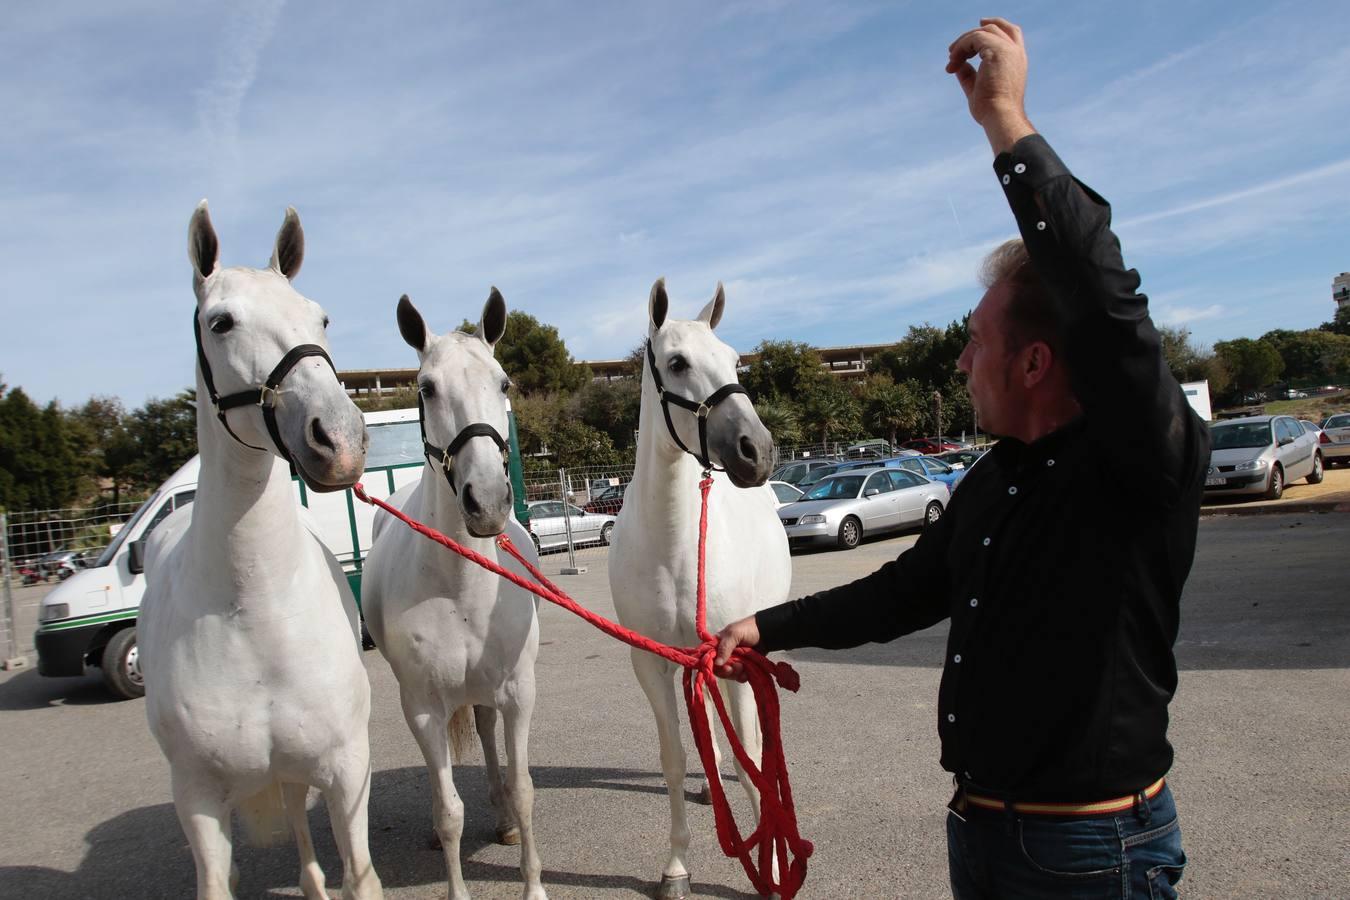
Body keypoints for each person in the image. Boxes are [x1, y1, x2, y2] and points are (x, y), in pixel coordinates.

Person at [714, 17, 1208, 899]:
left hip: (1095, 857)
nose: (959, 361)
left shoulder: (1137, 462)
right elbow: (903, 591)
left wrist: (1005, 122)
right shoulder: (996, 477)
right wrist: (769, 626)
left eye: (974, 342)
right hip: (984, 833)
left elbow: (1102, 297)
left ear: (1033, 361)